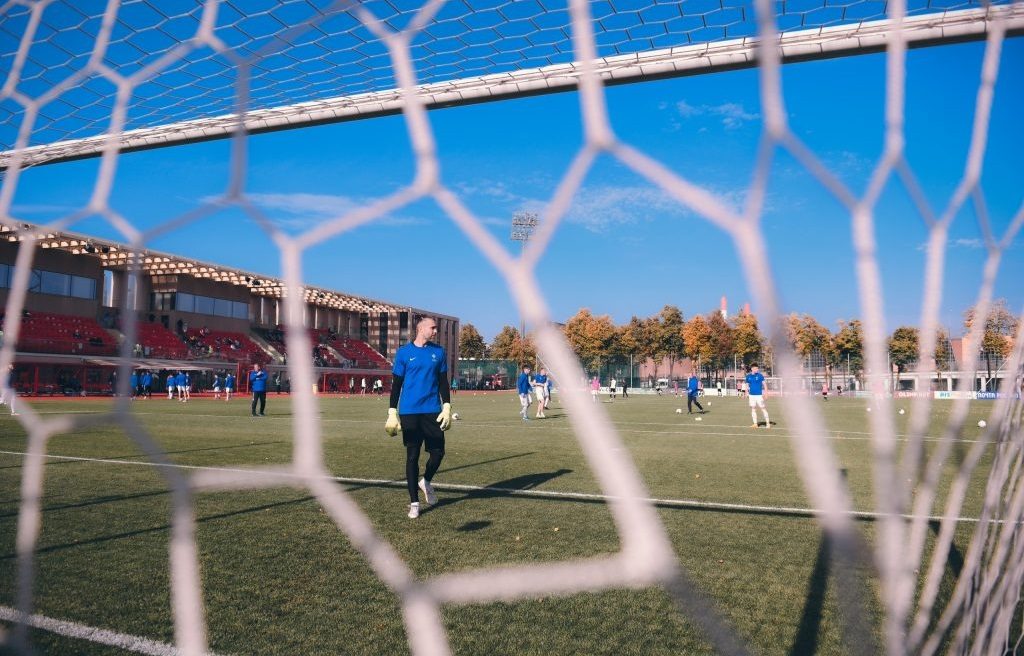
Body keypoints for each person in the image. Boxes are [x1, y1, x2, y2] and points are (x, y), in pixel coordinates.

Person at [384, 316, 452, 519]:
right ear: (421, 329)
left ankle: (426, 481)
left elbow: (443, 382)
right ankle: (414, 503)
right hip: (409, 412)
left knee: (438, 453)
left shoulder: (438, 352)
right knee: (412, 456)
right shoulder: (404, 353)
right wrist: (391, 412)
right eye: (432, 327)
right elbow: (397, 384)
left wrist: (446, 406)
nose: (435, 331)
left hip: (432, 410)